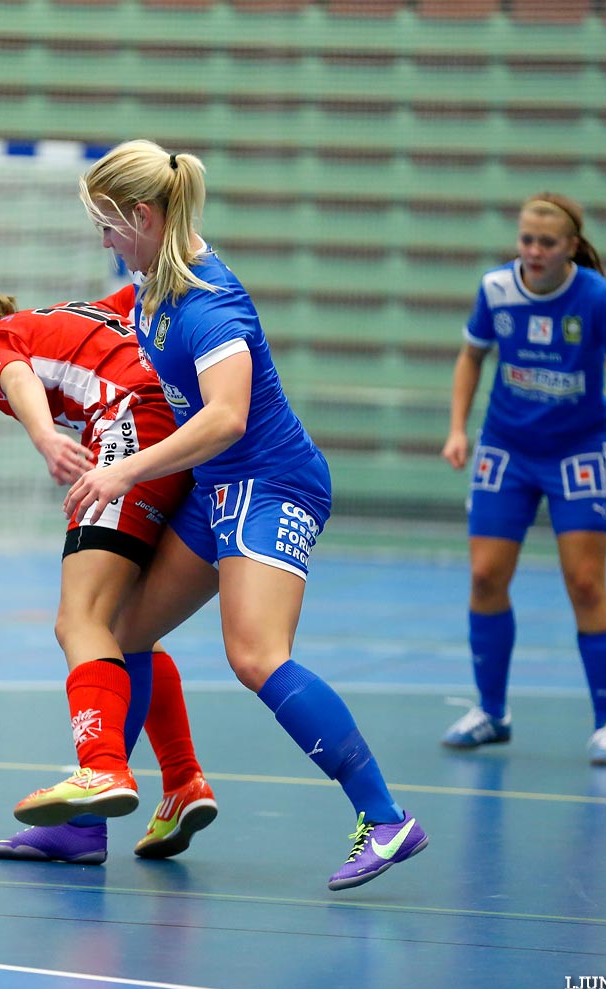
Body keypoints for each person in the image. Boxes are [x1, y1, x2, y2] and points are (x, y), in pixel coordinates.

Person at [55, 139, 427, 892]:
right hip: (221, 489)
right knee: (126, 633)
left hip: (272, 483)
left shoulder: (209, 302)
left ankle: (385, 819)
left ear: (144, 214)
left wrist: (121, 469)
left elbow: (226, 417)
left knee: (256, 655)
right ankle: (85, 826)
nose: (102, 240)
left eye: (108, 224)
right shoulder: (153, 283)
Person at [0, 286, 219, 864]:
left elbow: (13, 372)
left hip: (130, 428)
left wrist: (46, 436)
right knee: (127, 630)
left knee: (79, 621)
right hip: (176, 431)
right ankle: (181, 781)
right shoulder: (66, 313)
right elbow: (136, 297)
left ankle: (99, 771)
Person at [438, 192, 606, 767]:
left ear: (570, 247)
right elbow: (471, 357)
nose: (534, 252)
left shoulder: (596, 298)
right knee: (485, 577)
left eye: (547, 243)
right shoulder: (495, 291)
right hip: (507, 450)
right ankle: (492, 712)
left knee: (586, 584)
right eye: (526, 240)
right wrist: (458, 428)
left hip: (576, 455)